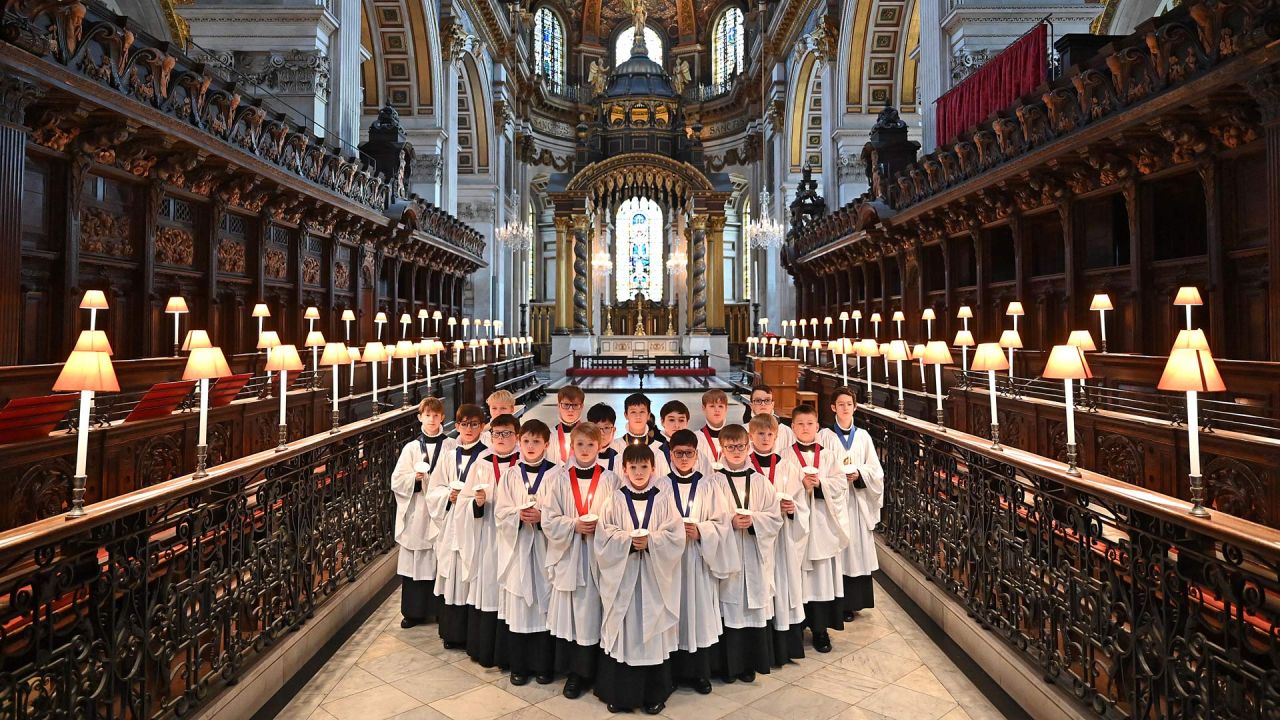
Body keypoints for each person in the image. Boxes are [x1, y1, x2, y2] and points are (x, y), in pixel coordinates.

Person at [594, 444, 684, 714]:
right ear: (623, 470)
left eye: (644, 467)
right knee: (626, 633)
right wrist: (630, 543)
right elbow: (604, 536)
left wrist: (653, 541)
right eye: (632, 467)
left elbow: (676, 536)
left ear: (653, 469)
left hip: (655, 580)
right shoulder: (614, 500)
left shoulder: (664, 500)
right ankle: (621, 694)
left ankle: (654, 693)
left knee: (652, 633)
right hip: (624, 580)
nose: (639, 472)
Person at [543, 422, 618, 699]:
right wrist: (573, 525)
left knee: (598, 612)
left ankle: (599, 670)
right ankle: (576, 672)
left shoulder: (610, 480)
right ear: (571, 447)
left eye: (591, 445)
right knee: (575, 615)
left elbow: (619, 516)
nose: (585, 450)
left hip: (600, 557)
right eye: (580, 445)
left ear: (600, 447)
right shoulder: (560, 479)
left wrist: (602, 528)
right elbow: (549, 518)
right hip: (572, 554)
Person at [664, 429, 736, 694]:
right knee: (673, 616)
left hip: (698, 561)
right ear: (670, 455)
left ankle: (698, 672)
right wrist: (670, 534)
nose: (684, 458)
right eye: (678, 453)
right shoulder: (660, 485)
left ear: (697, 454)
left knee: (698, 615)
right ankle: (671, 672)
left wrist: (702, 531)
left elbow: (722, 523)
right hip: (669, 565)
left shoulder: (710, 484)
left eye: (689, 453)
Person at [712, 424, 782, 683]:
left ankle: (748, 663)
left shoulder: (760, 481)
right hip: (728, 555)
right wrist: (728, 523)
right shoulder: (714, 482)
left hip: (754, 554)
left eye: (741, 446)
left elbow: (774, 518)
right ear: (722, 448)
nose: (736, 451)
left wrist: (754, 521)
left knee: (752, 608)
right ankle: (728, 666)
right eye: (730, 447)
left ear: (748, 446)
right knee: (728, 607)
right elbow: (707, 518)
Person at [495, 419, 557, 685]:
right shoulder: (510, 475)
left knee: (544, 607)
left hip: (545, 550)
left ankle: (543, 666)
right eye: (527, 441)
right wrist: (517, 515)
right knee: (520, 608)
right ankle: (519, 665)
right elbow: (500, 512)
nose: (531, 446)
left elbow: (562, 512)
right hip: (518, 549)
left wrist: (544, 517)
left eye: (537, 441)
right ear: (519, 442)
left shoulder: (558, 474)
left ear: (547, 444)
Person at [457, 413, 521, 668]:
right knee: (488, 589)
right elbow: (463, 502)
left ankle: (509, 654)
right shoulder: (481, 463)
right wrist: (477, 503)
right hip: (487, 537)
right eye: (497, 434)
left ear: (516, 435)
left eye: (507, 434)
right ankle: (485, 649)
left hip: (516, 538)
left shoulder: (525, 463)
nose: (502, 439)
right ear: (491, 435)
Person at [817, 386, 884, 620]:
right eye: (840, 404)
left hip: (856, 501)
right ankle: (839, 603)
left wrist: (859, 473)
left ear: (855, 407)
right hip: (835, 503)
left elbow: (876, 471)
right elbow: (819, 466)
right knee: (839, 548)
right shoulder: (824, 436)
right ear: (833, 407)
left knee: (855, 549)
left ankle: (856, 600)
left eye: (849, 404)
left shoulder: (863, 437)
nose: (845, 408)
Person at [787, 404, 849, 653]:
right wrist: (799, 485)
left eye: (809, 424)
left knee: (821, 578)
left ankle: (821, 630)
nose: (805, 428)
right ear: (792, 427)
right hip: (795, 529)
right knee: (796, 577)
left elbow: (840, 484)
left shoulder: (828, 456)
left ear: (817, 427)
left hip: (822, 525)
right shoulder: (784, 456)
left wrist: (820, 484)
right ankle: (798, 627)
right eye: (800, 424)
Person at [428, 403, 489, 649]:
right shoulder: (448, 455)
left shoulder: (487, 456)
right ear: (457, 425)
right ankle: (451, 632)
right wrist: (447, 497)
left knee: (470, 575)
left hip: (474, 527)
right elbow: (435, 488)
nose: (468, 429)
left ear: (482, 426)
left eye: (474, 424)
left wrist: (473, 501)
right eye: (464, 424)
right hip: (452, 523)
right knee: (451, 574)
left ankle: (469, 633)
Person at [749, 413, 808, 664]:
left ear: (777, 436)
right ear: (751, 436)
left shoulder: (787, 467)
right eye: (760, 434)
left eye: (769, 434)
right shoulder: (744, 467)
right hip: (754, 540)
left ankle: (782, 648)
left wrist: (792, 509)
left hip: (782, 539)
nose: (765, 438)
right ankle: (760, 649)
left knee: (782, 586)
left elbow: (802, 504)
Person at [390, 397, 454, 628]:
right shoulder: (411, 448)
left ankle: (438, 611)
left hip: (440, 511)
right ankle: (413, 612)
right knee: (416, 562)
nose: (432, 420)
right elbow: (396, 480)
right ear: (420, 417)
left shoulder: (451, 446)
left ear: (442, 418)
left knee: (438, 561)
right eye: (428, 415)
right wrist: (413, 481)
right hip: (417, 511)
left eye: (436, 416)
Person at [612, 393, 670, 478]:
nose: (638, 416)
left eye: (642, 411)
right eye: (633, 412)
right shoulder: (614, 447)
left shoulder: (660, 449)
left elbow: (664, 482)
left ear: (648, 415)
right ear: (626, 415)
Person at [661, 400, 711, 476]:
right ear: (662, 422)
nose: (676, 425)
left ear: (687, 422)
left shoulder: (698, 454)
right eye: (671, 420)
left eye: (681, 420)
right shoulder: (656, 453)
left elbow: (708, 481)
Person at [746, 385, 797, 454]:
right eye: (758, 400)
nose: (763, 404)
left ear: (772, 404)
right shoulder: (743, 431)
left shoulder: (786, 431)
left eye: (767, 400)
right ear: (751, 405)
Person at [547, 386, 585, 464]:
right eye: (566, 405)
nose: (570, 410)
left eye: (575, 405)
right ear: (558, 406)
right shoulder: (550, 435)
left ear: (581, 406)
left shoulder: (589, 434)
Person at [696, 389, 732, 468]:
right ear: (704, 408)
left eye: (720, 406)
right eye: (712, 406)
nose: (717, 410)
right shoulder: (696, 438)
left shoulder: (735, 438)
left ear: (726, 409)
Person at [587, 403, 621, 472]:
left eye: (606, 427)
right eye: (597, 428)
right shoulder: (579, 459)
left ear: (613, 430)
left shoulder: (620, 461)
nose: (601, 433)